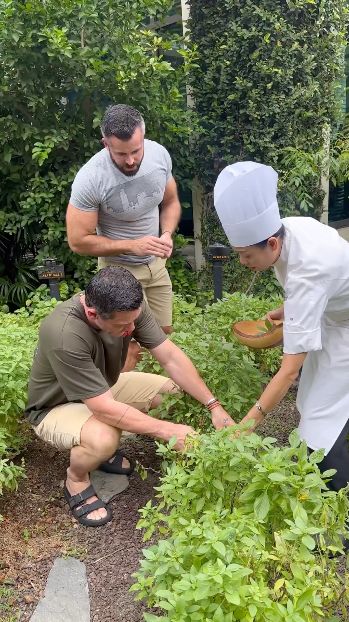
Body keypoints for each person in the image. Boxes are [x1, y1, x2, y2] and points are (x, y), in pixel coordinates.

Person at [25, 266, 235, 527]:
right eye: (124, 325)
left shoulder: (127, 306)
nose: (132, 328)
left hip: (100, 390)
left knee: (170, 394)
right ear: (93, 314)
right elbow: (103, 409)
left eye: (134, 320)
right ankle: (76, 478)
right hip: (54, 408)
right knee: (104, 437)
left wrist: (214, 405)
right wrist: (168, 431)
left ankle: (100, 453)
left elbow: (169, 357)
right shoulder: (64, 333)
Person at [214, 161, 349, 496]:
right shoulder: (287, 231)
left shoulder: (308, 269)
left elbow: (289, 371)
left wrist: (249, 423)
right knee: (313, 401)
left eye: (246, 256)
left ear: (271, 244)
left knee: (320, 424)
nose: (244, 263)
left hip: (345, 325)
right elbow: (318, 291)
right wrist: (287, 311)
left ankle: (338, 521)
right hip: (334, 314)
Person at [66, 104, 180, 368]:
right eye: (120, 154)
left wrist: (166, 234)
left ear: (144, 136)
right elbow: (77, 240)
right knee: (127, 347)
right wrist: (133, 245)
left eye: (136, 151)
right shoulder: (91, 178)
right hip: (119, 273)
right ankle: (120, 404)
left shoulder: (160, 156)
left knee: (161, 336)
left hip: (156, 268)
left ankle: (156, 397)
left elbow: (171, 202)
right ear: (105, 143)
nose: (130, 160)